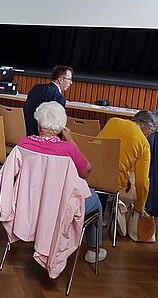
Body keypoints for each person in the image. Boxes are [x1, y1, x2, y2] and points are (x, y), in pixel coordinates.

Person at [17, 101, 106, 263]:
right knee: (96, 201)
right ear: (60, 127)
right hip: (61, 205)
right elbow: (86, 172)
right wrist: (70, 139)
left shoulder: (24, 144)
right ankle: (94, 249)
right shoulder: (68, 149)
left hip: (32, 202)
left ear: (38, 125)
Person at [96, 110, 158, 213]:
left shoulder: (113, 121)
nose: (148, 136)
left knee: (102, 178)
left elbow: (109, 152)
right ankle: (99, 218)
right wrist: (139, 207)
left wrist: (126, 174)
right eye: (150, 133)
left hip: (90, 171)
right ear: (149, 127)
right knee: (108, 182)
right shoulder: (144, 144)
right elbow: (142, 183)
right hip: (112, 181)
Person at [24, 65, 73, 136]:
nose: (71, 83)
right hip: (46, 139)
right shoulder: (58, 97)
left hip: (29, 133)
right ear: (61, 80)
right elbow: (57, 126)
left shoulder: (36, 88)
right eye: (70, 79)